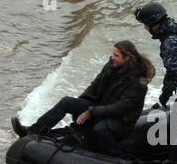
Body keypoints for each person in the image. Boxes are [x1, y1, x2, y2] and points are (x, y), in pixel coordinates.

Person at [11, 40, 155, 157]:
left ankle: (117, 155)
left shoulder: (138, 84)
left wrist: (90, 112)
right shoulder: (111, 66)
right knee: (67, 102)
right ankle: (33, 131)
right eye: (113, 54)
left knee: (100, 129)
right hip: (100, 109)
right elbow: (95, 86)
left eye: (116, 55)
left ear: (127, 58)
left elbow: (119, 108)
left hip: (119, 121)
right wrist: (79, 106)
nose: (112, 57)